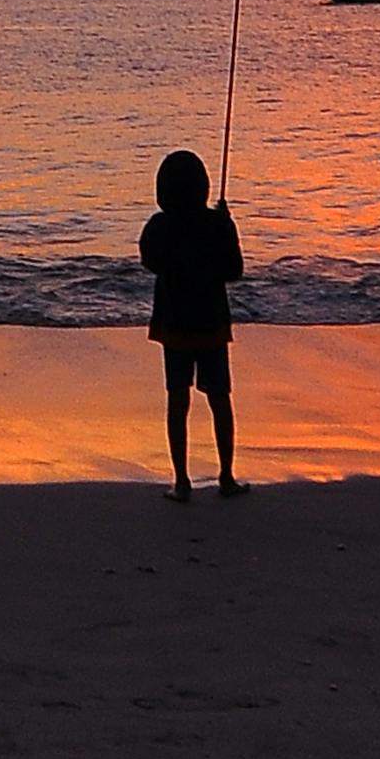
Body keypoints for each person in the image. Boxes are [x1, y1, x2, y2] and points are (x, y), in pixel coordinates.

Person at [140, 148, 244, 500]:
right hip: (211, 322)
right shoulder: (216, 225)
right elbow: (234, 270)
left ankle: (182, 482)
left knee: (177, 400)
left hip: (174, 324)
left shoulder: (159, 226)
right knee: (219, 399)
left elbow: (149, 261)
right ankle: (226, 476)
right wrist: (226, 226)